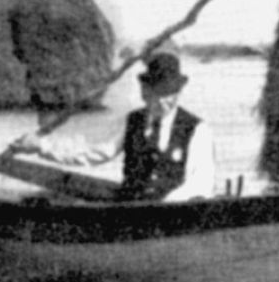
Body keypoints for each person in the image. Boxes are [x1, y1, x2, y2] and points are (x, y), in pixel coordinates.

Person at [15, 52, 216, 202]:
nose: (166, 101)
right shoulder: (132, 121)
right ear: (146, 93)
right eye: (160, 93)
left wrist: (163, 206)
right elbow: (93, 150)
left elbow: (201, 183)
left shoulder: (197, 129)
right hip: (126, 215)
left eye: (172, 93)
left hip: (173, 218)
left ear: (179, 91)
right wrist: (41, 146)